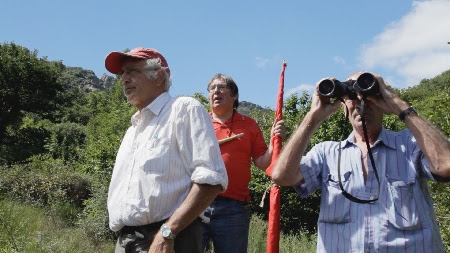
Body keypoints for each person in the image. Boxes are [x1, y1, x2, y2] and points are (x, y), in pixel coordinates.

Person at [272, 71, 450, 252]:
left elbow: (446, 165)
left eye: (368, 95)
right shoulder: (326, 153)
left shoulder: (409, 144)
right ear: (343, 106)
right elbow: (282, 176)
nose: (360, 102)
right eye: (351, 97)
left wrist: (398, 104)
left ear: (382, 101)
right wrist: (313, 116)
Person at [105, 47, 228, 253]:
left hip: (170, 239)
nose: (124, 79)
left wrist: (168, 232)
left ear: (159, 76)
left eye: (132, 71)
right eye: (122, 73)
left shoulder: (183, 109)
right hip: (126, 241)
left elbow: (211, 179)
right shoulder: (132, 131)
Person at [201, 73, 285, 253]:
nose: (216, 91)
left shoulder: (249, 125)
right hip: (197, 202)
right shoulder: (199, 122)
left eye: (222, 87)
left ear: (234, 95)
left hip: (234, 207)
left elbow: (263, 163)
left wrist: (273, 142)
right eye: (212, 88)